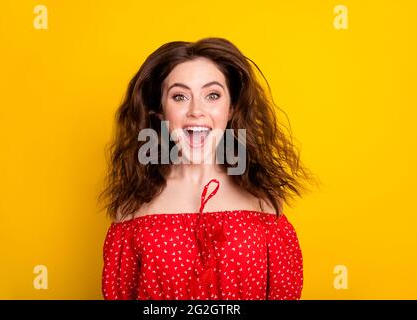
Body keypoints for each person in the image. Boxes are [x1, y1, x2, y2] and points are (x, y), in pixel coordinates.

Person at [99, 37, 315, 300]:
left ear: (232, 108)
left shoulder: (265, 205)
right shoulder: (131, 213)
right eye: (179, 96)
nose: (196, 111)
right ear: (159, 112)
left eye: (212, 95)